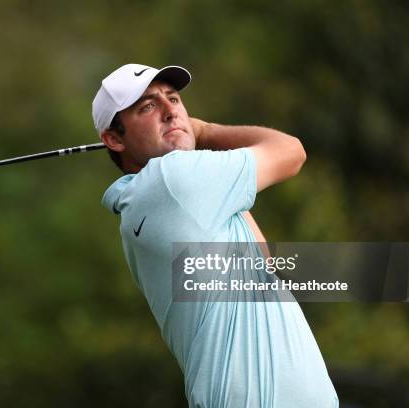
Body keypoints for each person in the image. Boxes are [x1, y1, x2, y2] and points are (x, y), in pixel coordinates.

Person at [93, 63, 339, 407]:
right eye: (147, 106)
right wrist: (205, 131)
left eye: (174, 99)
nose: (170, 112)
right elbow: (291, 152)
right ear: (114, 139)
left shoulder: (151, 198)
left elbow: (263, 263)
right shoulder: (172, 179)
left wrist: (190, 142)